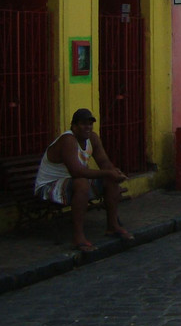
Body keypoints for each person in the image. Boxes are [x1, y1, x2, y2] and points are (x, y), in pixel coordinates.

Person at [34, 108, 131, 252]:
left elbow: (104, 161)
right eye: (83, 124)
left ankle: (113, 226)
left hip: (70, 182)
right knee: (81, 183)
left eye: (90, 124)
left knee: (109, 181)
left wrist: (113, 172)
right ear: (74, 126)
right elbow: (76, 171)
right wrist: (108, 173)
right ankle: (78, 237)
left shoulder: (92, 138)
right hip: (49, 187)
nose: (88, 128)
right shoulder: (68, 140)